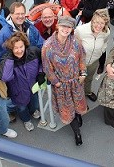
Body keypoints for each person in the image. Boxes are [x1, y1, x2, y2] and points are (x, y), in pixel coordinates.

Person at [41, 16, 87, 146]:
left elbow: (82, 59)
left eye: (69, 27)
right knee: (68, 106)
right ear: (57, 26)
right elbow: (47, 67)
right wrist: (57, 82)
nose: (66, 29)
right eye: (63, 26)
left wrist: (83, 74)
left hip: (76, 81)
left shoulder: (75, 42)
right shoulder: (48, 46)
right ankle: (77, 133)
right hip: (61, 85)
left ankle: (78, 115)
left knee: (78, 102)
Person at [0, 32, 43, 131]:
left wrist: (41, 73)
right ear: (11, 49)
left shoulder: (34, 52)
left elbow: (42, 63)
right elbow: (5, 77)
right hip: (18, 91)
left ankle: (33, 111)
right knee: (22, 108)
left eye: (21, 46)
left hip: (33, 86)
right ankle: (26, 120)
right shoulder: (7, 60)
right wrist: (10, 58)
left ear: (25, 44)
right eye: (15, 48)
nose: (19, 50)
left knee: (34, 103)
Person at [75, 9, 110, 102]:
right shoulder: (80, 30)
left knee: (89, 78)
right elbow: (74, 47)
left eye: (102, 23)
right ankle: (79, 99)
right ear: (92, 20)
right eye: (96, 22)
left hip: (94, 61)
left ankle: (87, 91)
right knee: (78, 81)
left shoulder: (106, 32)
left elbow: (105, 43)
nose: (99, 26)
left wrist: (100, 52)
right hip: (80, 63)